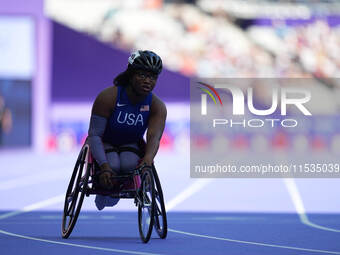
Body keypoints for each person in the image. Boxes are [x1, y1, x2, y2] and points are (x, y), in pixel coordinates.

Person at [87, 50, 167, 210]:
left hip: (131, 144)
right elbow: (94, 135)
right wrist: (104, 166)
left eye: (152, 77)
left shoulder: (157, 106)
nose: (147, 81)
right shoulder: (107, 97)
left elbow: (154, 138)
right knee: (114, 166)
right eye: (142, 75)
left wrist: (148, 159)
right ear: (130, 75)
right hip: (106, 142)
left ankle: (115, 190)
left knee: (130, 165)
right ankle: (104, 193)